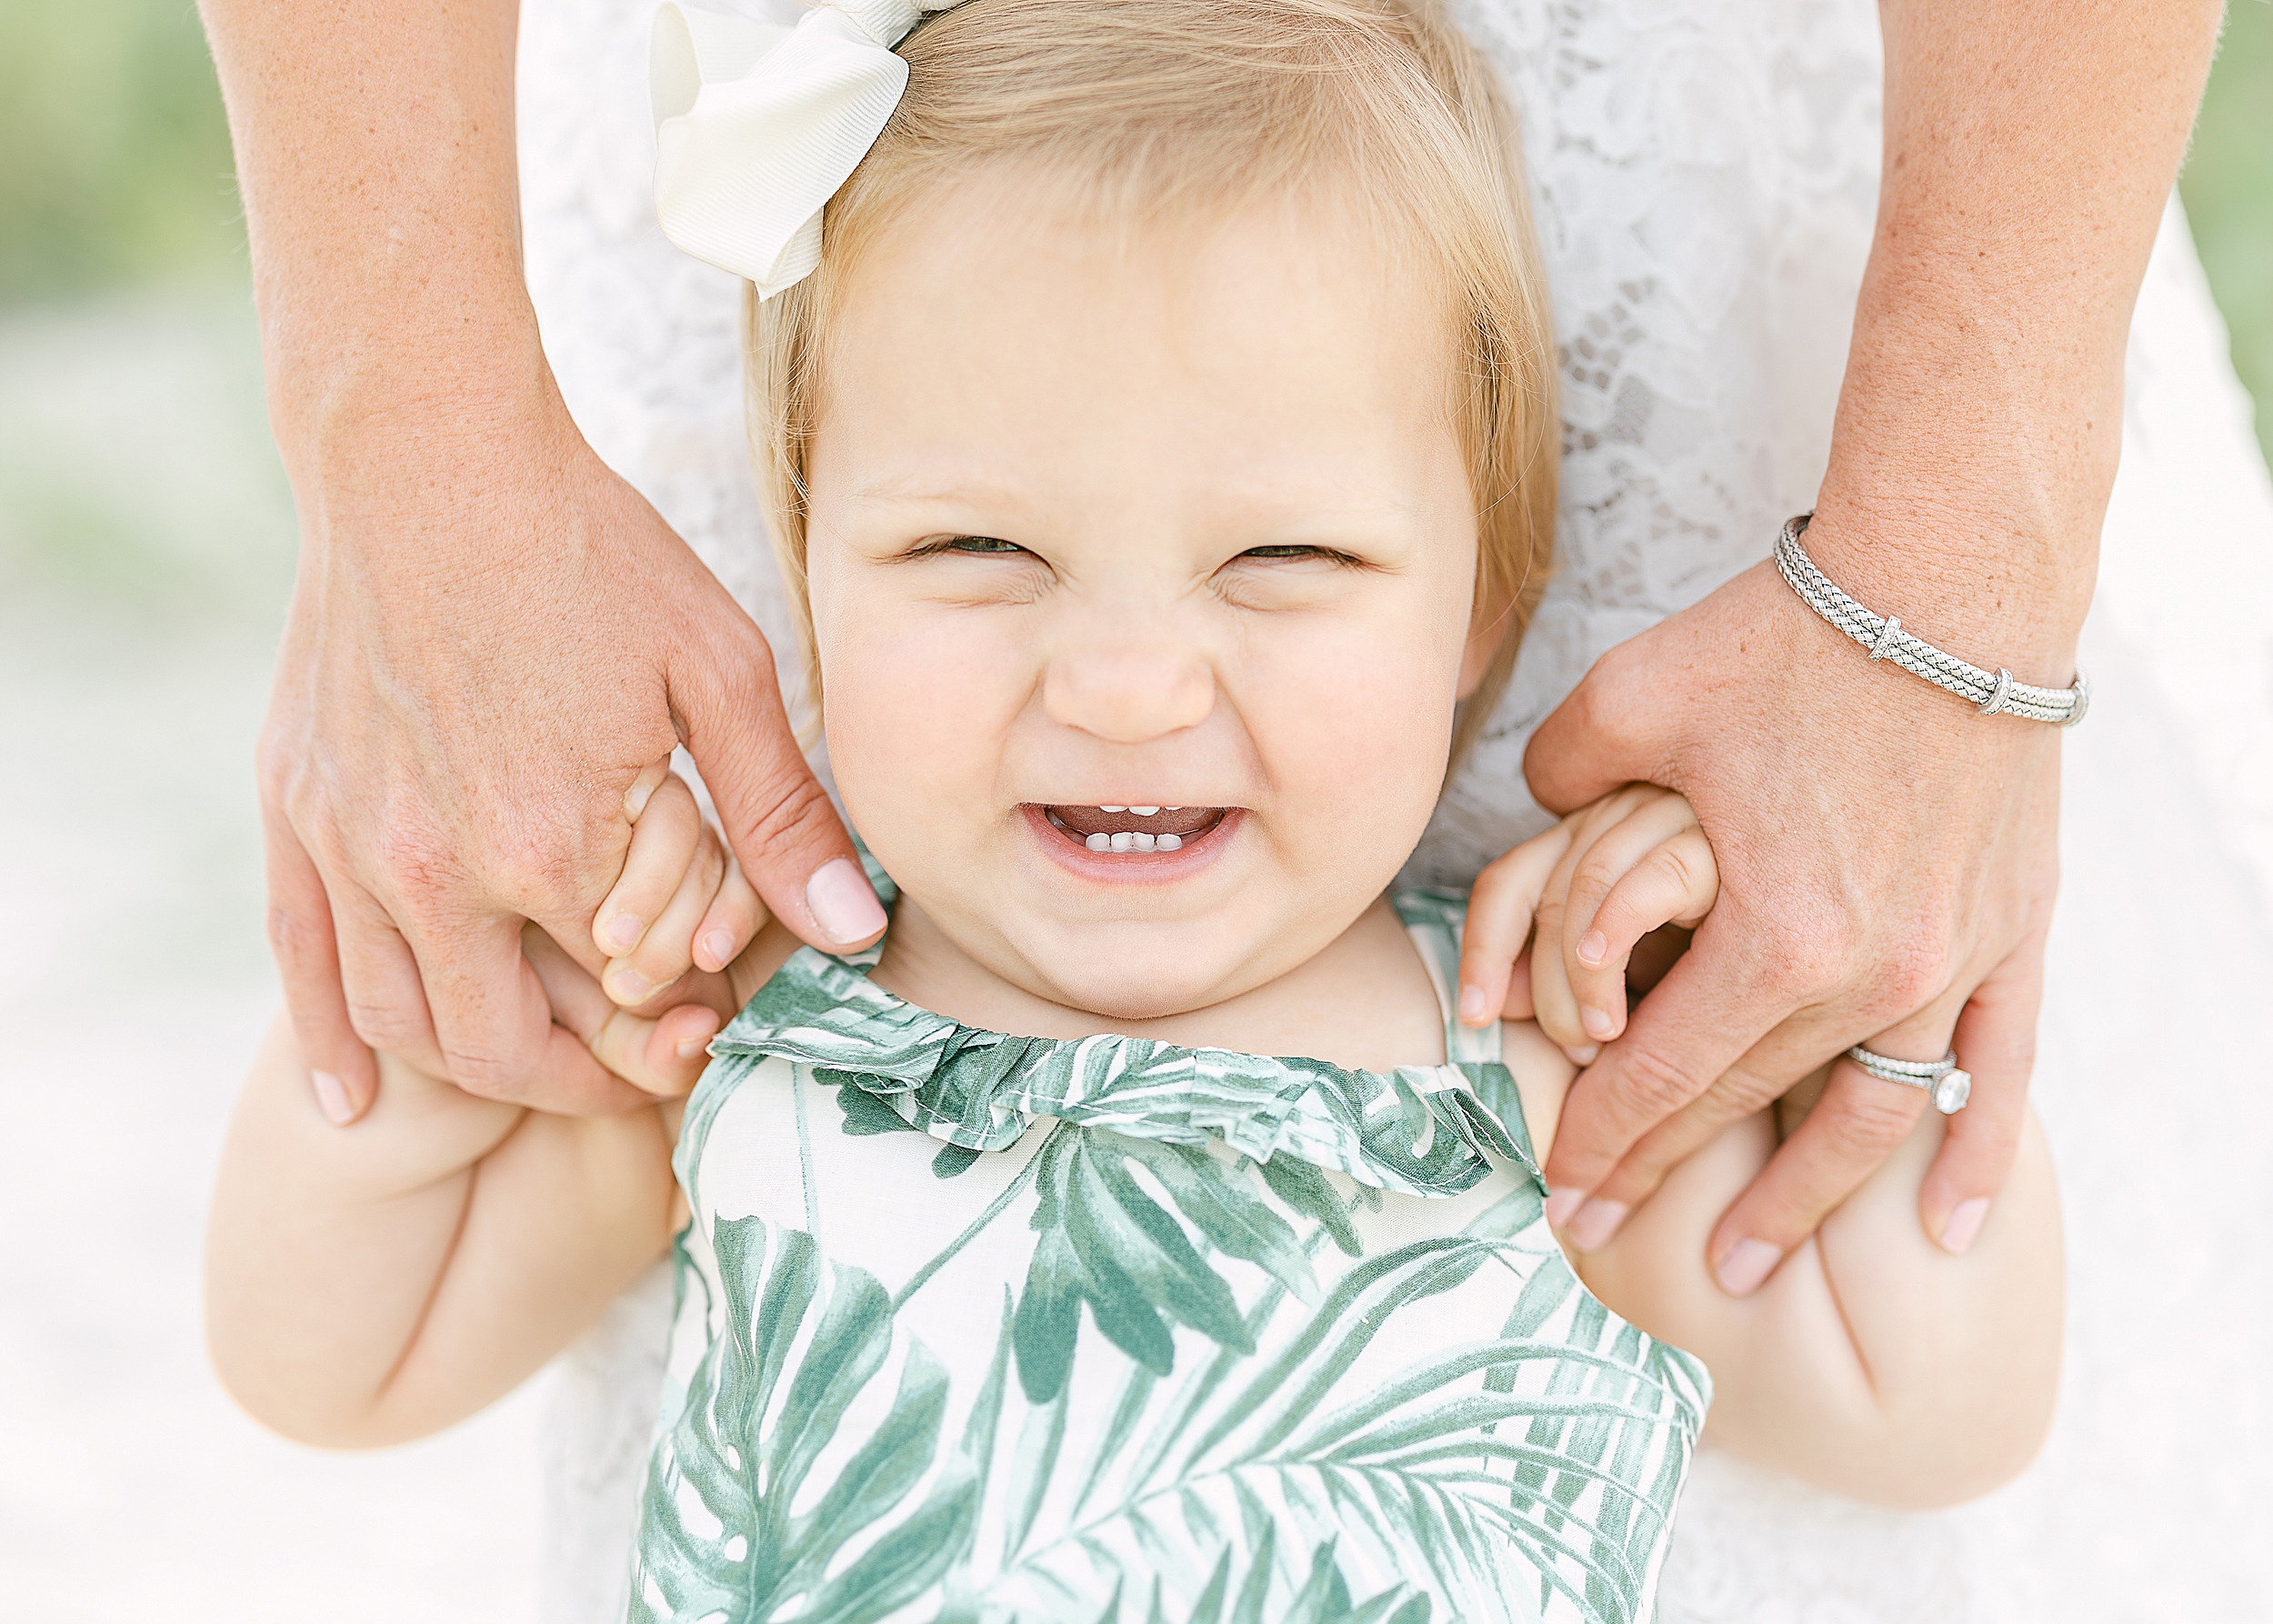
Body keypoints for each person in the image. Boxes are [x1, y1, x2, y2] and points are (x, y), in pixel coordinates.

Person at [204, 8, 2064, 1616]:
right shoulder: (744, 1016)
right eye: (972, 547)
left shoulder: (1536, 1065)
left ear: (1479, 599)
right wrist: (500, 1003)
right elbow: (328, 1355)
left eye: (1280, 558)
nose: (1119, 683)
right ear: (799, 563)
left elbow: (1933, 1399)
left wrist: (1748, 996)